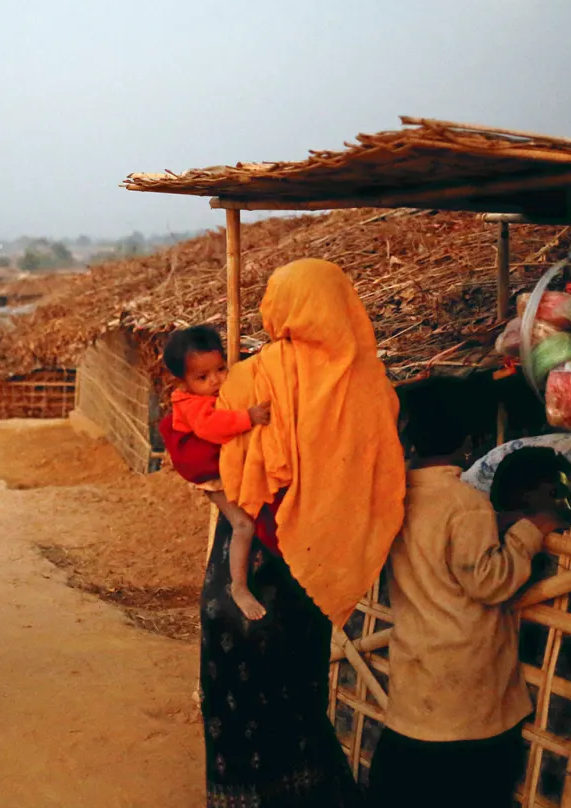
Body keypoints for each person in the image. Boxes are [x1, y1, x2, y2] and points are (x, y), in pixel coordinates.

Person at [202, 259, 408, 807]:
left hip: (249, 559)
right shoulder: (370, 383)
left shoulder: (250, 376)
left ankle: (240, 796)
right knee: (301, 693)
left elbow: (216, 461)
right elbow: (379, 469)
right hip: (315, 568)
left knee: (236, 696)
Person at [367, 415, 571, 808]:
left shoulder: (396, 496)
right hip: (466, 697)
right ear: (469, 441)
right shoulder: (466, 503)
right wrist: (531, 531)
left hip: (415, 682)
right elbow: (490, 581)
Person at [160, 325, 272, 620]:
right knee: (243, 525)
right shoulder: (190, 404)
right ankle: (239, 587)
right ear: (182, 381)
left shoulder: (207, 391)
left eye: (221, 369)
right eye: (202, 377)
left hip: (220, 469)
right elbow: (211, 427)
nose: (216, 381)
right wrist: (247, 417)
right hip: (210, 476)